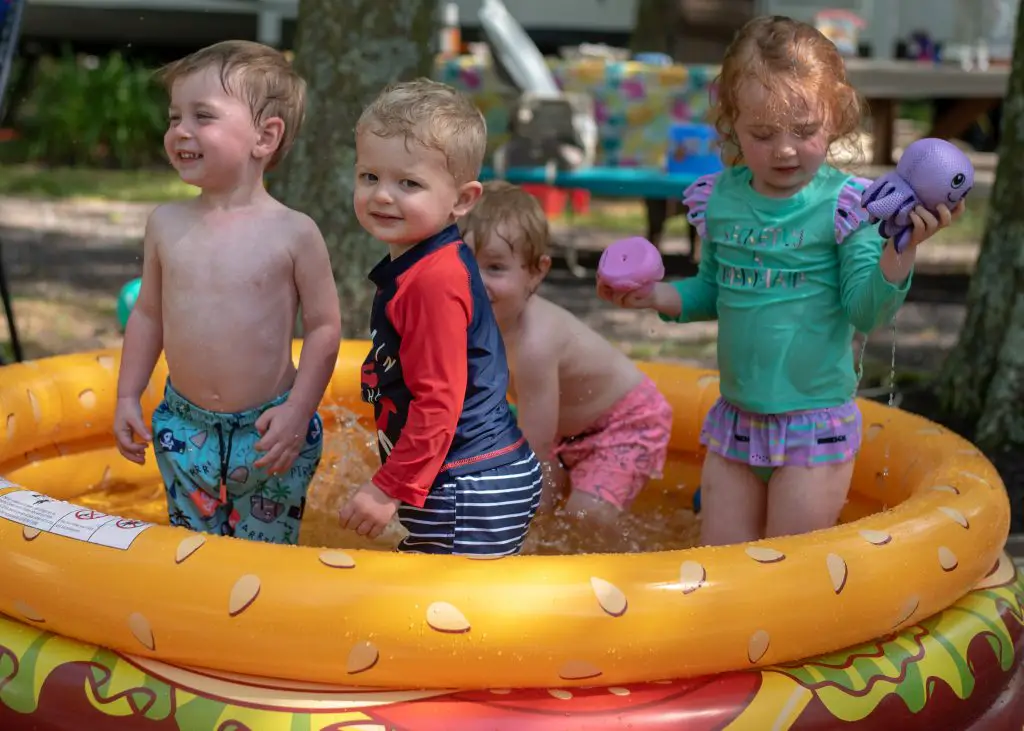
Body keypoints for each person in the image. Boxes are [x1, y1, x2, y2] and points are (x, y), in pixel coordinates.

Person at [600, 16, 964, 547]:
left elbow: (868, 313)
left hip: (814, 426)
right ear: (731, 122)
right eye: (763, 134)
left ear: (836, 117)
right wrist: (656, 296)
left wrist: (897, 252)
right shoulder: (721, 199)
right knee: (721, 564)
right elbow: (715, 291)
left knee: (788, 569)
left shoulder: (848, 206)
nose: (785, 150)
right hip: (736, 420)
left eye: (804, 130)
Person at [113, 40, 342, 546]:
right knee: (193, 554)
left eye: (203, 116)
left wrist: (299, 412)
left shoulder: (293, 232)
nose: (180, 132)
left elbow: (326, 328)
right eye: (175, 117)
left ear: (265, 136)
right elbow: (148, 315)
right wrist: (128, 393)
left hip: (269, 430)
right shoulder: (166, 224)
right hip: (183, 423)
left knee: (264, 561)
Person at [338, 79, 543, 557]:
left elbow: (438, 403)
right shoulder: (421, 263)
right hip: (471, 480)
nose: (383, 196)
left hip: (467, 486)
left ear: (463, 199)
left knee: (441, 618)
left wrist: (387, 487)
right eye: (369, 177)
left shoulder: (433, 281)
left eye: (408, 183)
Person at [461, 181, 673, 539]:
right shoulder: (471, 324)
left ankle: (625, 565)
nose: (475, 282)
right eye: (465, 265)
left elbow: (537, 452)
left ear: (537, 272)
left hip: (626, 424)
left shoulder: (535, 343)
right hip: (568, 430)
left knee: (581, 518)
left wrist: (526, 531)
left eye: (495, 268)